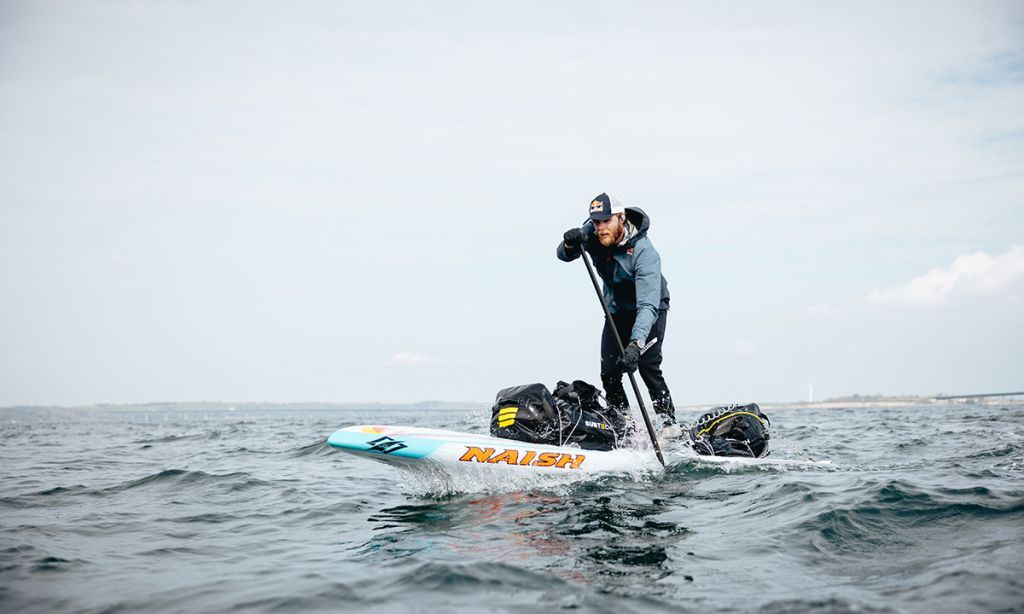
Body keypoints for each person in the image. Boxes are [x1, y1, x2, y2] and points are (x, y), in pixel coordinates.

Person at [557, 192, 676, 426]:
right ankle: (625, 425)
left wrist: (635, 344)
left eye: (607, 221)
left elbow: (647, 305)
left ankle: (669, 426)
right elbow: (563, 255)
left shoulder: (645, 253)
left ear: (621, 218)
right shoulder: (591, 235)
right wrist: (570, 243)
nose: (601, 228)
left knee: (647, 367)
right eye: (597, 221)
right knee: (609, 372)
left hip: (650, 309)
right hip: (617, 311)